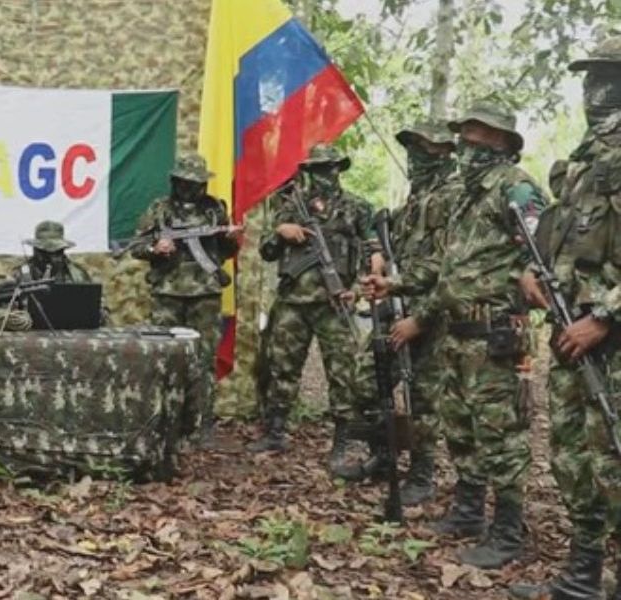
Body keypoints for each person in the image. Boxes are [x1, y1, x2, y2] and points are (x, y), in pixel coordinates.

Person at [365, 102, 546, 569]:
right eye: (465, 131)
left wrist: (531, 271)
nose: (468, 140)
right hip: (458, 331)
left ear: (503, 141)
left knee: (498, 435)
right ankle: (468, 512)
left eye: (479, 132)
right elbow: (445, 269)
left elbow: (544, 242)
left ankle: (507, 530)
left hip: (495, 332)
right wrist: (395, 284)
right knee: (462, 429)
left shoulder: (515, 186)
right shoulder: (467, 196)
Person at [510, 36, 621, 600]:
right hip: (570, 333)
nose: (593, 90)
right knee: (573, 459)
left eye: (606, 76)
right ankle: (581, 579)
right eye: (588, 77)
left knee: (615, 464)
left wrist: (604, 317)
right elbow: (565, 243)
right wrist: (534, 277)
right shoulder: (583, 163)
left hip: (610, 340)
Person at [247, 145, 376, 482]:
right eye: (317, 169)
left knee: (343, 372)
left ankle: (342, 439)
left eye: (329, 168)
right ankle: (274, 432)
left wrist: (358, 291)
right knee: (281, 368)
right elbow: (265, 250)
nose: (323, 176)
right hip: (292, 302)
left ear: (339, 169)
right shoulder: (288, 206)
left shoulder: (357, 208)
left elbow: (372, 254)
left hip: (336, 304)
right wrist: (281, 231)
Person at [376, 122, 461, 504]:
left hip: (436, 312)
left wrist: (407, 298)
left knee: (424, 395)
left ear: (444, 152)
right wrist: (377, 260)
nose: (414, 156)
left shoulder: (454, 195)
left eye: (422, 148)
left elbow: (445, 265)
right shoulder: (414, 200)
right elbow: (384, 238)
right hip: (402, 306)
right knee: (371, 378)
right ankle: (385, 456)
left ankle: (423, 474)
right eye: (410, 148)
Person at [130, 154, 239, 438]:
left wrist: (229, 238)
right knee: (163, 358)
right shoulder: (159, 209)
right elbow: (136, 246)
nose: (191, 188)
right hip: (167, 293)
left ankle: (203, 423)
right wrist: (157, 248)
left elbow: (226, 253)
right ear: (176, 181)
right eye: (186, 182)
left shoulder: (215, 209)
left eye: (197, 183)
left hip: (205, 294)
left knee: (204, 359)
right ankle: (163, 419)